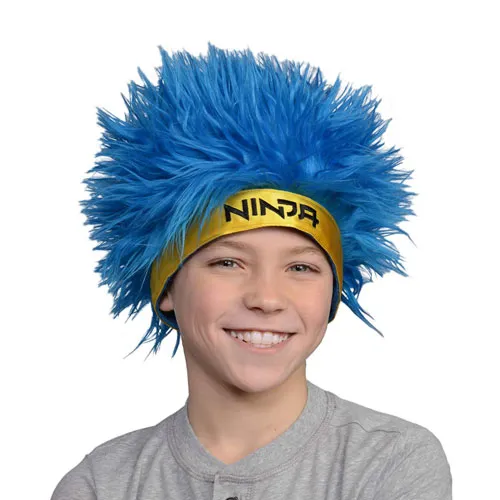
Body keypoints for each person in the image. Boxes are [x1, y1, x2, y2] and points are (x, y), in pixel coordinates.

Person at [51, 43, 452, 499]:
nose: (267, 298)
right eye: (227, 262)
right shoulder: (102, 483)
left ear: (333, 292)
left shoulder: (392, 462)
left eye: (301, 266)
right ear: (167, 286)